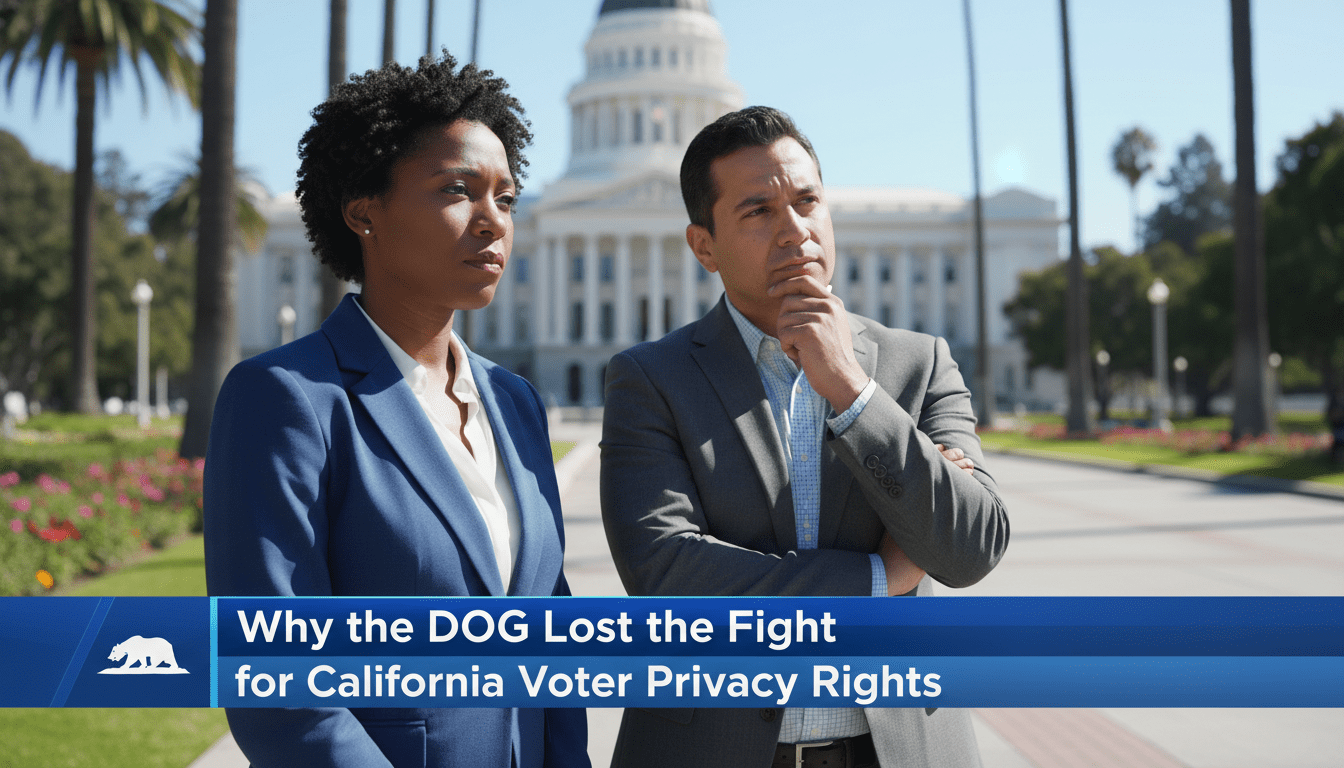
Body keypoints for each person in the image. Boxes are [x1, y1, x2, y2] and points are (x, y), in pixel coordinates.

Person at [204, 53, 589, 768]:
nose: (493, 223)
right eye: (457, 190)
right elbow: (281, 686)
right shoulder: (289, 399)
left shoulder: (515, 402)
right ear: (362, 211)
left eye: (506, 199)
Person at [600, 106, 1009, 768]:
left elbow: (970, 546)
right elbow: (668, 573)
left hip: (899, 749)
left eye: (808, 201)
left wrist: (852, 391)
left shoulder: (919, 364)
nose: (795, 230)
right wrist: (881, 578)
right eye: (758, 211)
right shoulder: (650, 380)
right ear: (703, 245)